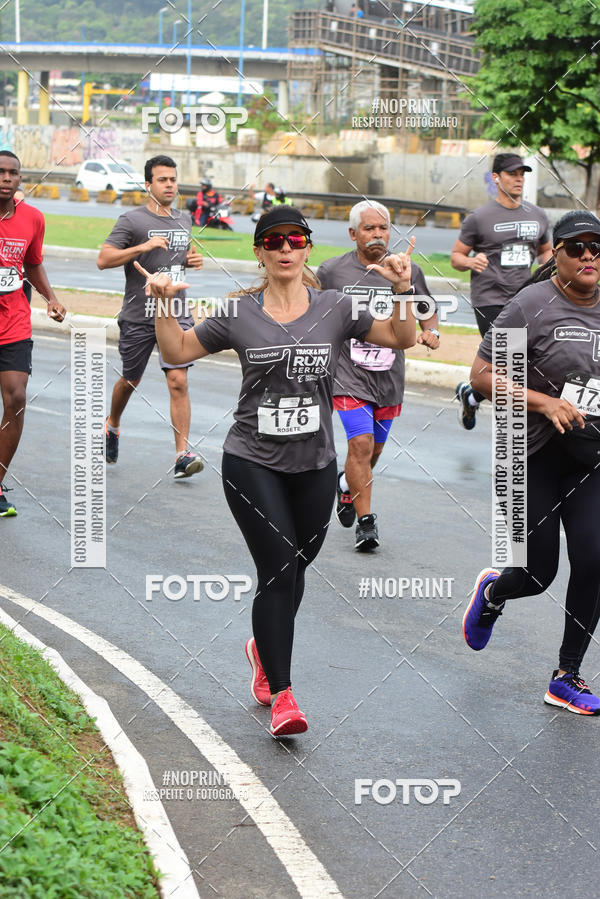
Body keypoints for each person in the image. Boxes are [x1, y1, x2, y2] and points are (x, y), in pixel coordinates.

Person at [138, 205, 416, 736]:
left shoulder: (335, 307)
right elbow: (176, 348)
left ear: (307, 248)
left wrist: (403, 291)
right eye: (273, 241)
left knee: (299, 565)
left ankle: (262, 649)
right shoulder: (238, 313)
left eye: (295, 240)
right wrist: (163, 303)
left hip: (315, 462)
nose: (285, 248)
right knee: (280, 570)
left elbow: (401, 338)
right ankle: (283, 697)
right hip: (252, 461)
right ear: (259, 251)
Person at [463, 210, 600, 715]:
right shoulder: (531, 305)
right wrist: (545, 403)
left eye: (597, 247)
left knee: (595, 558)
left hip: (590, 458)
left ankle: (566, 676)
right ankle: (493, 593)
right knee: (538, 575)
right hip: (531, 457)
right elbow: (481, 376)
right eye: (576, 247)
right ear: (556, 254)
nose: (588, 255)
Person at [317, 199, 440, 551]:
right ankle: (366, 523)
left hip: (388, 374)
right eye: (368, 228)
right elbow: (309, 306)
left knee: (373, 451)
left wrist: (432, 332)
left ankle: (346, 484)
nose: (377, 234)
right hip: (348, 372)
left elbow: (427, 310)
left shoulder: (405, 270)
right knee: (360, 443)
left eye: (383, 228)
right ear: (352, 233)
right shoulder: (332, 271)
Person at [97, 154, 204, 476]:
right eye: (162, 180)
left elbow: (171, 262)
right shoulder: (132, 221)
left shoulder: (184, 219)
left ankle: (182, 454)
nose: (169, 185)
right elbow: (104, 259)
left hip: (174, 311)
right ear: (148, 185)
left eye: (173, 179)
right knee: (130, 380)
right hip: (138, 314)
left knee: (178, 379)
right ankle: (113, 424)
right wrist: (141, 248)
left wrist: (189, 261)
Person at [451, 153, 552, 429]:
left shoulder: (537, 215)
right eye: (512, 174)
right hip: (490, 299)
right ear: (496, 178)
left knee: (518, 365)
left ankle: (472, 396)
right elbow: (456, 257)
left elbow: (545, 252)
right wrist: (471, 261)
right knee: (511, 363)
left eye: (522, 174)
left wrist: (550, 272)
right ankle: (511, 430)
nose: (519, 179)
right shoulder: (479, 218)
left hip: (527, 299)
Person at [0, 151, 65, 517]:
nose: (7, 178)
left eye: (13, 173)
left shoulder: (33, 219)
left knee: (16, 397)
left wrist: (51, 298)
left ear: (20, 179)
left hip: (13, 323)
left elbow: (33, 263)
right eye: (1, 172)